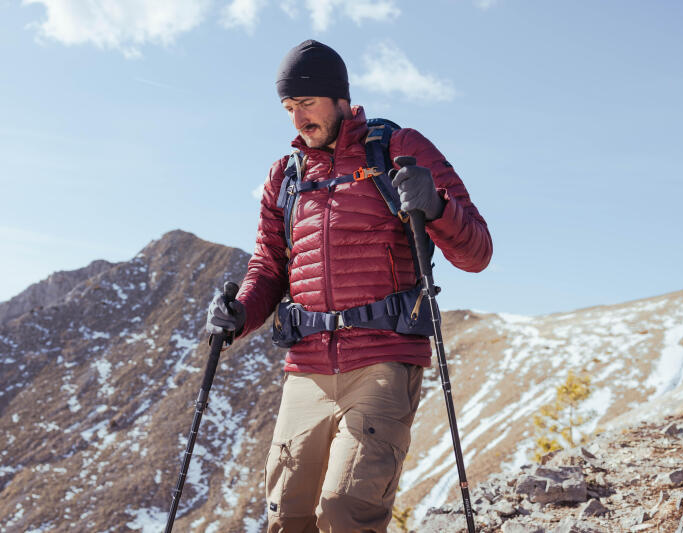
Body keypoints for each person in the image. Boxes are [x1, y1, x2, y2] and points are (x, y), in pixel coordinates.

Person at [206, 40, 492, 533]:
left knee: (344, 511)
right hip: (307, 369)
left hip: (382, 361)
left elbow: (477, 252)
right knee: (286, 518)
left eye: (308, 104)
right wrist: (240, 313)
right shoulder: (286, 178)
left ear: (341, 99)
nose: (298, 119)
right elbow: (270, 266)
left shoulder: (399, 150)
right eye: (289, 108)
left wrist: (438, 208)